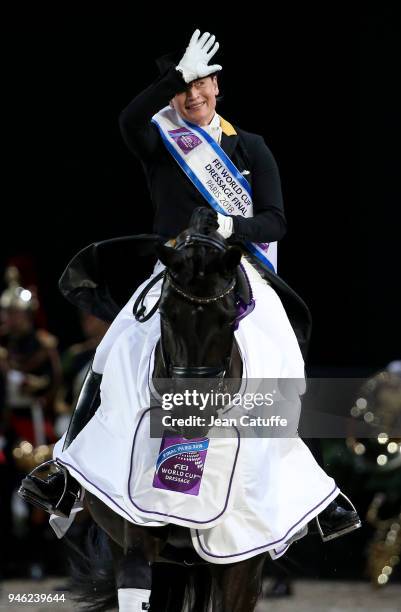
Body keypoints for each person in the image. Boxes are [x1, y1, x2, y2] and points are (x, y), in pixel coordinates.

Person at [19, 30, 360, 546]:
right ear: (172, 92)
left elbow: (275, 221)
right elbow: (129, 120)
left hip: (239, 272)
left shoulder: (251, 147)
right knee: (110, 353)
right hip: (173, 273)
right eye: (183, 87)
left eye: (202, 82)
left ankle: (318, 496)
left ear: (218, 85)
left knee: (287, 362)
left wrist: (231, 228)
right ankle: (64, 471)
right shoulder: (160, 142)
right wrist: (173, 77)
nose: (194, 94)